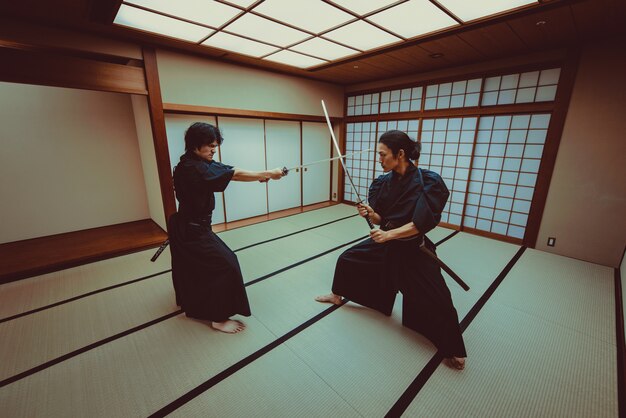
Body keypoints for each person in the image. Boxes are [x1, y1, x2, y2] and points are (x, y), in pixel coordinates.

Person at [316, 130, 467, 369]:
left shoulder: (429, 182)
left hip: (411, 248)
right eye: (378, 154)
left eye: (382, 154)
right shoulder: (383, 182)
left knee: (439, 297)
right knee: (348, 258)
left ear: (401, 154)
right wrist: (370, 213)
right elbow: (381, 219)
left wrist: (389, 235)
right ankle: (337, 295)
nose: (379, 159)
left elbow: (419, 224)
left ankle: (453, 348)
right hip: (386, 243)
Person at [169, 122, 284, 334]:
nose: (214, 150)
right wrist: (267, 172)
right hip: (193, 230)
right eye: (210, 146)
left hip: (189, 227)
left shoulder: (191, 161)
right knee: (226, 264)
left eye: (215, 145)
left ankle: (195, 302)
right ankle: (218, 318)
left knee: (196, 267)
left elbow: (228, 171)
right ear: (196, 145)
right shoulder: (193, 168)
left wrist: (261, 175)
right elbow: (234, 174)